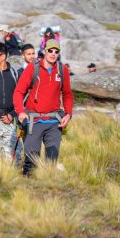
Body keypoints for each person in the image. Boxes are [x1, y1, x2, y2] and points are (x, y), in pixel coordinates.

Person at [13, 39, 73, 176]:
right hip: (34, 121)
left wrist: (68, 114)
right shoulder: (33, 68)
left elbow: (68, 94)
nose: (53, 53)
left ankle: (48, 192)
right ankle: (26, 190)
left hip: (54, 122)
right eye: (50, 50)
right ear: (44, 51)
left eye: (56, 51)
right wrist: (20, 112)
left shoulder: (62, 70)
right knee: (31, 162)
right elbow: (18, 92)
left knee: (51, 162)